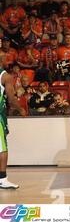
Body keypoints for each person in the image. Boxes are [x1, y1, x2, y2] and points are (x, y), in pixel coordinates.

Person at [0, 54, 26, 190]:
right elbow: (11, 98)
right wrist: (20, 109)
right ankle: (2, 179)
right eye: (5, 59)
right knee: (2, 148)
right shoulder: (5, 76)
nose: (8, 61)